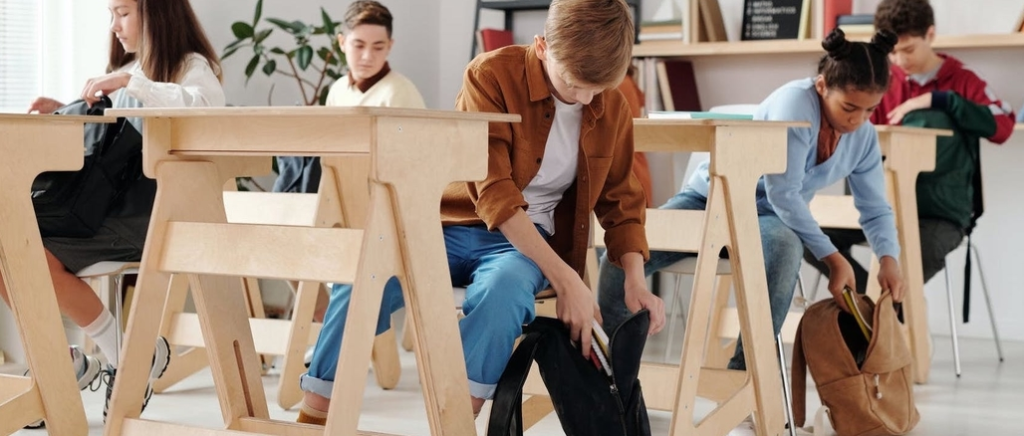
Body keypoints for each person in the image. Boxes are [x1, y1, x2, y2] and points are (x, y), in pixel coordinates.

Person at [296, 0, 665, 425]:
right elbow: (494, 191)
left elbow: (621, 199)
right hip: (450, 225)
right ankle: (315, 411)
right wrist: (568, 280)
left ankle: (453, 421)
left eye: (596, 89)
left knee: (505, 290)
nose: (584, 97)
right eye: (575, 82)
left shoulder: (613, 105)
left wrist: (635, 279)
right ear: (543, 47)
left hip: (526, 246)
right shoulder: (490, 74)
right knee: (371, 270)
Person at [598, 28, 906, 435]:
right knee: (619, 256)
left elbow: (874, 207)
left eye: (869, 110)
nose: (858, 120)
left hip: (767, 218)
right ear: (821, 85)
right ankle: (613, 379)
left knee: (782, 246)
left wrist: (888, 257)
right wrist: (833, 259)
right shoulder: (794, 103)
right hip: (709, 199)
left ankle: (742, 381)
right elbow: (784, 193)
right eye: (850, 106)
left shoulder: (862, 137)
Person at [6, 0, 225, 425]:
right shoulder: (135, 69)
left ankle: (114, 357)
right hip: (106, 207)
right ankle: (79, 360)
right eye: (111, 14)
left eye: (122, 12)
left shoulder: (190, 66)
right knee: (8, 249)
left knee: (25, 251)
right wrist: (64, 110)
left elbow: (205, 108)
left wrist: (131, 81)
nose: (115, 25)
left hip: (148, 212)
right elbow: (108, 131)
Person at [805, 0, 1016, 295]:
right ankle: (874, 309)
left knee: (905, 268)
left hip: (938, 216)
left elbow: (1003, 126)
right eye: (893, 52)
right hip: (879, 209)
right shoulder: (882, 83)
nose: (900, 60)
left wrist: (942, 101)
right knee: (806, 236)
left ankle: (876, 315)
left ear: (930, 35)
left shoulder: (963, 80)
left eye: (908, 50)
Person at [282, 0, 428, 366]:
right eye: (359, 45)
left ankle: (335, 340)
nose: (367, 56)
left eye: (378, 47)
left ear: (390, 47)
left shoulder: (400, 94)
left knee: (332, 252)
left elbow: (412, 166)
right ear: (342, 41)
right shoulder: (337, 91)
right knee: (288, 241)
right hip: (341, 201)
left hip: (382, 208)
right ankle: (332, 327)